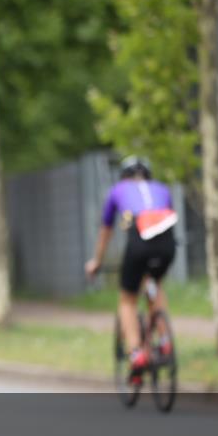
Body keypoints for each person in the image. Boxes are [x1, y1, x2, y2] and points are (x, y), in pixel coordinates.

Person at [85, 155, 178, 380]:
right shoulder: (162, 188)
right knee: (154, 284)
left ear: (124, 176)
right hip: (166, 242)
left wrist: (96, 261)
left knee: (127, 299)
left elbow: (106, 230)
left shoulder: (118, 190)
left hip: (139, 238)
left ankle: (136, 353)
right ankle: (165, 342)